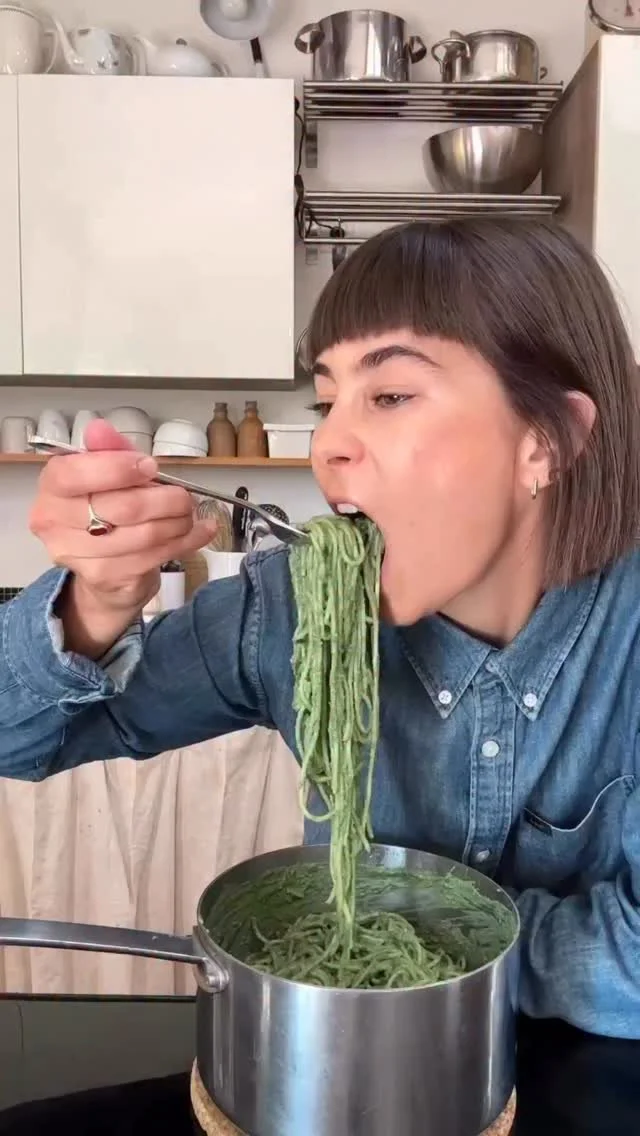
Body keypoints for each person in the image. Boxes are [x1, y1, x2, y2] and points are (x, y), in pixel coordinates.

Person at [1, 219, 640, 1038]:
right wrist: (94, 605)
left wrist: (428, 950)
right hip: (347, 1069)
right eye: (327, 401)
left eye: (391, 395)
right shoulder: (293, 609)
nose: (330, 443)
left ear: (546, 443)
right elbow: (16, 740)